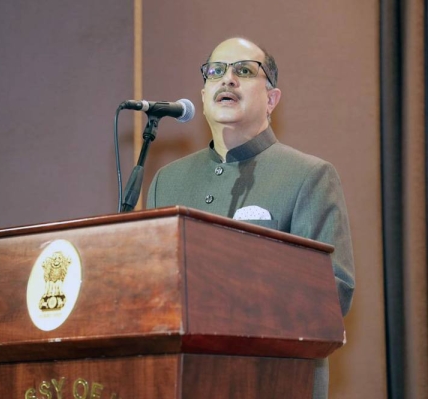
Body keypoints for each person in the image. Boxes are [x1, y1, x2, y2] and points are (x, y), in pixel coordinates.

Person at [146, 37, 355, 399]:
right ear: (203, 93)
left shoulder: (308, 175)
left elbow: (332, 292)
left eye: (243, 70)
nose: (228, 80)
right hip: (179, 383)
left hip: (271, 383)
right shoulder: (168, 180)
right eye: (216, 72)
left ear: (272, 99)